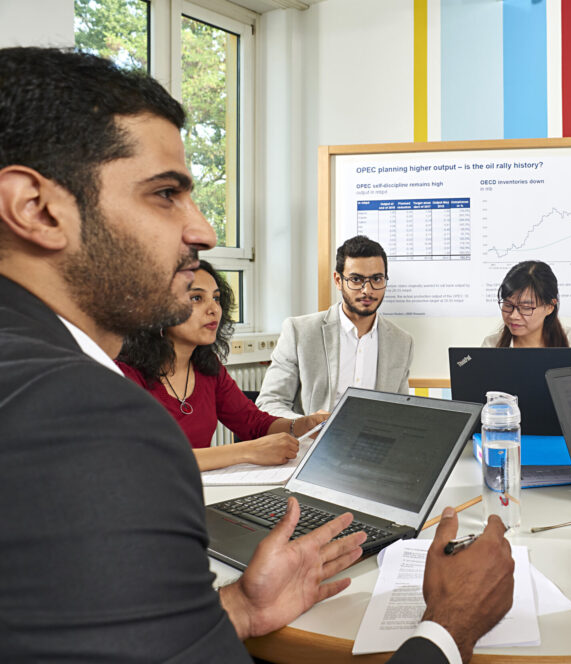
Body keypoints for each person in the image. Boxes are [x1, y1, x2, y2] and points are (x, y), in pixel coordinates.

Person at [0, 47, 512, 662]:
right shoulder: (87, 421)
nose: (203, 232)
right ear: (36, 208)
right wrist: (449, 627)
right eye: (165, 193)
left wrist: (239, 606)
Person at [116, 260, 328, 471]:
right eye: (196, 298)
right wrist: (248, 451)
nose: (214, 309)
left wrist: (302, 425)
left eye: (216, 298)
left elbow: (253, 423)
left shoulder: (209, 368)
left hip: (198, 493)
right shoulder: (123, 374)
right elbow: (146, 457)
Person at [257, 235, 414, 418]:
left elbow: (401, 412)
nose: (367, 290)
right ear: (338, 281)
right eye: (356, 279)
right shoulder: (300, 332)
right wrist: (310, 425)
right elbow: (269, 403)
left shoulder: (402, 342)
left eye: (377, 279)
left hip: (374, 444)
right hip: (313, 443)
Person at [481, 260, 571, 348]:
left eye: (526, 308)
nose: (513, 316)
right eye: (508, 305)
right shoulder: (491, 346)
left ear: (550, 306)